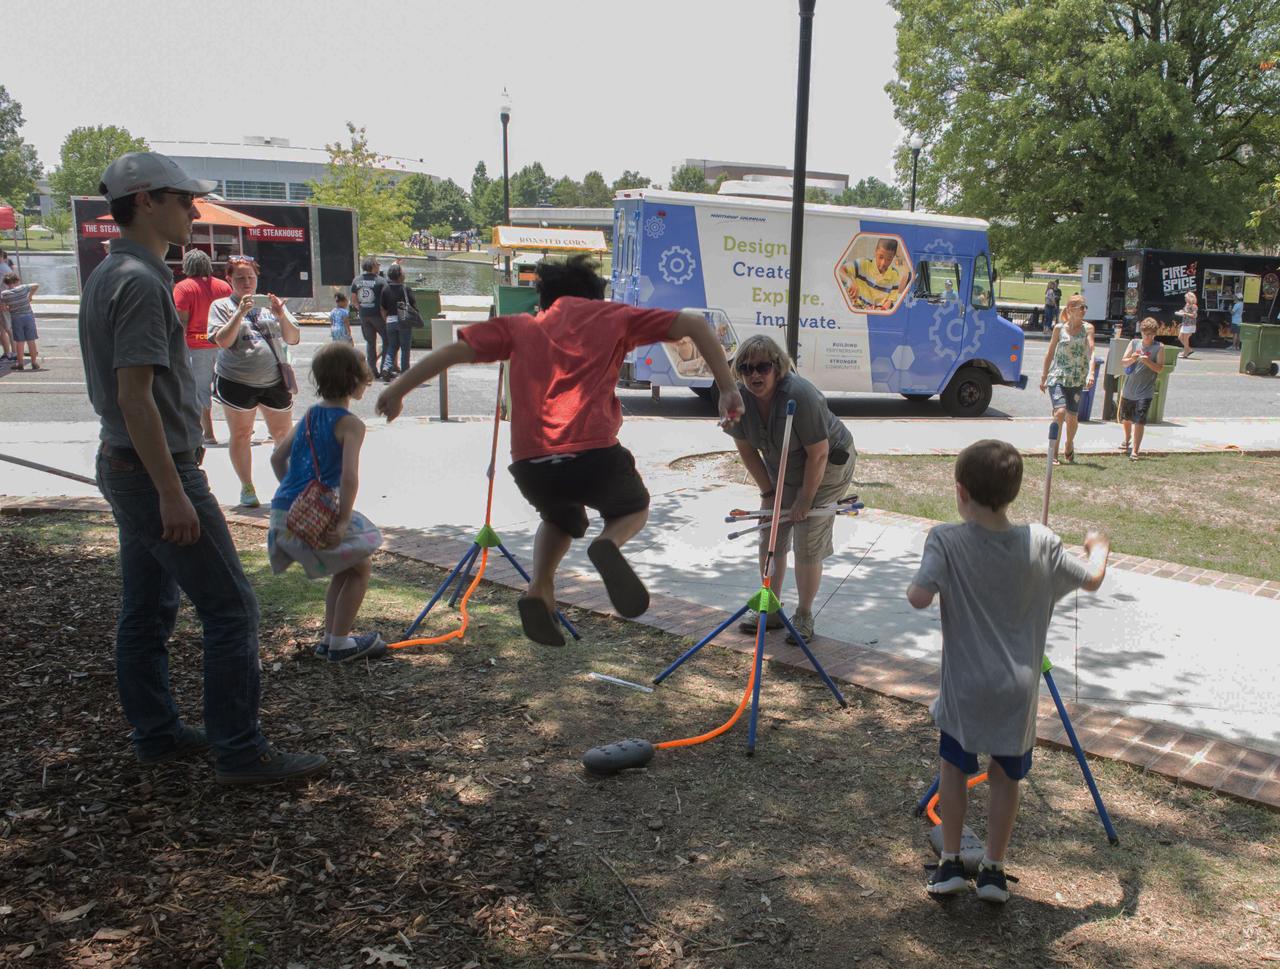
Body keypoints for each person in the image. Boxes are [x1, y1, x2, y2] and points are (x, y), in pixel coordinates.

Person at [78, 150, 325, 785]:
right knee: (232, 609)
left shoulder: (114, 272)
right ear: (144, 202)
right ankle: (241, 753)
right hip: (152, 470)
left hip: (131, 464)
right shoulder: (138, 281)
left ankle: (157, 734)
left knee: (147, 607)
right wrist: (171, 490)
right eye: (182, 199)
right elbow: (135, 397)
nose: (193, 210)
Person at [376, 254, 744, 647]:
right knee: (632, 507)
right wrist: (726, 387)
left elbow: (452, 351)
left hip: (533, 465)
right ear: (595, 296)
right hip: (594, 455)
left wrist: (397, 390)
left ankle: (539, 587)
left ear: (546, 301)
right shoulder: (614, 317)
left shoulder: (521, 326)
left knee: (560, 518)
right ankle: (609, 542)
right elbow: (691, 322)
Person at [907, 439, 1109, 903]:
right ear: (1014, 492)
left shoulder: (945, 539)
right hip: (1018, 691)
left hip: (964, 689)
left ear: (960, 491)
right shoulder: (1042, 542)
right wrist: (1098, 547)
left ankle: (951, 864)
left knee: (954, 771)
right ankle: (994, 871)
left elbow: (918, 597)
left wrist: (924, 582)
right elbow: (1093, 580)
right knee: (1005, 777)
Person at [724, 334, 856, 644]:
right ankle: (769, 608)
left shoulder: (801, 395)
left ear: (778, 367)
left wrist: (805, 499)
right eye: (746, 368)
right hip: (781, 464)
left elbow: (819, 453)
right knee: (770, 530)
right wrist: (768, 492)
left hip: (826, 465)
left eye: (763, 367)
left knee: (807, 535)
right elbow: (745, 448)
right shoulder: (738, 399)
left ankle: (804, 615)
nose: (754, 375)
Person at [268, 341, 385, 662]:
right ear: (354, 381)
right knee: (360, 568)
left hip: (283, 512)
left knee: (347, 568)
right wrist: (343, 519)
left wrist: (297, 497)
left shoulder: (309, 415)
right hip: (307, 517)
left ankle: (330, 639)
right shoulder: (350, 424)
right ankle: (340, 644)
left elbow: (278, 459)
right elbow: (349, 477)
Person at [207, 255, 300, 508]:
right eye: (240, 278)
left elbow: (292, 338)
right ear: (229, 280)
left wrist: (281, 315)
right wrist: (239, 313)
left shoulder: (272, 304)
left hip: (274, 381)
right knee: (241, 434)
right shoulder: (221, 306)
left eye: (251, 277)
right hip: (236, 381)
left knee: (282, 434)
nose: (246, 282)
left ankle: (288, 485)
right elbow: (222, 341)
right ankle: (247, 487)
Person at [173, 249, 232, 446]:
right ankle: (240, 430)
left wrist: (177, 351)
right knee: (228, 387)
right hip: (223, 345)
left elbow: (181, 321)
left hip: (196, 346)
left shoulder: (183, 288)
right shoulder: (224, 286)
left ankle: (208, 434)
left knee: (200, 390)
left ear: (187, 266)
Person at [1039, 293, 1096, 465]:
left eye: (1085, 307)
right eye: (1081, 307)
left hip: (1077, 378)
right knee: (1060, 412)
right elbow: (1049, 354)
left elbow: (1091, 351)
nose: (1084, 311)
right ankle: (1053, 453)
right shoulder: (1059, 328)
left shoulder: (1088, 328)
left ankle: (1069, 443)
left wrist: (1091, 372)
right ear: (1071, 309)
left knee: (1072, 417)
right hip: (1058, 376)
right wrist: (1043, 376)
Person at [1119, 317, 1164, 461]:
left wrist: (1147, 361)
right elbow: (1124, 362)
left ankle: (1135, 451)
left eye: (1151, 334)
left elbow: (1159, 368)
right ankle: (1127, 440)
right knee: (1126, 419)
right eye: (1146, 334)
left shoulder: (1159, 347)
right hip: (1129, 389)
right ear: (1142, 333)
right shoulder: (1134, 343)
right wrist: (1133, 358)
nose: (1148, 337)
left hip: (1145, 391)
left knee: (1139, 420)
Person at [841, 237, 909, 311]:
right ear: (875, 251)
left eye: (889, 259)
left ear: (893, 257)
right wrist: (849, 281)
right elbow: (840, 270)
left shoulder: (894, 274)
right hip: (857, 310)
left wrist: (881, 309)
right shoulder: (863, 264)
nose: (883, 263)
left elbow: (890, 300)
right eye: (881, 257)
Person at [378, 263, 417, 380]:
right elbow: (413, 306)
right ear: (399, 276)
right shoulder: (405, 289)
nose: (404, 274)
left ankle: (386, 367)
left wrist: (386, 320)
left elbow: (382, 308)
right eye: (403, 273)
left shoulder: (385, 289)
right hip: (403, 321)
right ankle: (405, 373)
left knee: (392, 346)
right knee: (405, 348)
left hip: (390, 321)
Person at [351, 256, 387, 375]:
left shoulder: (356, 280)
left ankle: (372, 370)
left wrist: (361, 309)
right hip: (378, 316)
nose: (379, 266)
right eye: (378, 264)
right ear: (373, 266)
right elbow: (384, 301)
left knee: (371, 343)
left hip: (364, 315)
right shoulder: (381, 281)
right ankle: (385, 367)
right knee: (387, 341)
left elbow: (354, 300)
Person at [2, 271, 41, 371]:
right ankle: (34, 362)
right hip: (28, 317)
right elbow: (36, 285)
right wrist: (30, 295)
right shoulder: (23, 288)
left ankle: (20, 363)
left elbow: (3, 308)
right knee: (31, 341)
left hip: (16, 318)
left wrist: (9, 307)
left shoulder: (4, 294)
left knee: (19, 342)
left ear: (6, 283)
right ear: (17, 280)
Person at [1176, 291, 1198, 358]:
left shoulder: (1194, 306)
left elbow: (1194, 315)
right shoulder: (1187, 305)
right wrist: (1181, 312)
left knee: (1185, 338)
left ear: (1190, 298)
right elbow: (1185, 312)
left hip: (1190, 324)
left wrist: (1185, 314)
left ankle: (1185, 353)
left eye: (1186, 297)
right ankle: (1188, 349)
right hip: (1185, 323)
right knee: (1180, 337)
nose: (1185, 299)